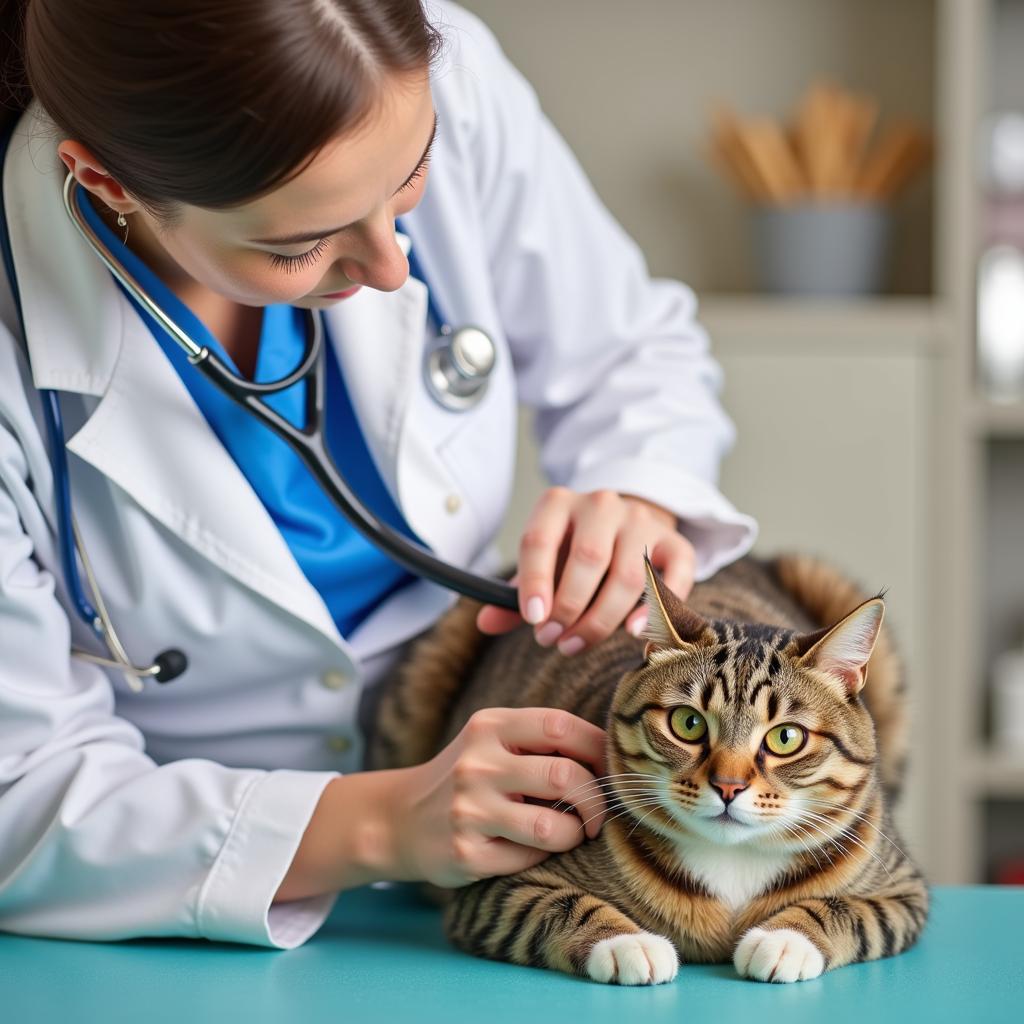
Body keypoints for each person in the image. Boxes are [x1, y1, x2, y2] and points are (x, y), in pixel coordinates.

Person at [0, 0, 756, 947]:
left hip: (492, 846)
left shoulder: (441, 67)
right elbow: (18, 794)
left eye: (411, 183)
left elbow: (633, 353)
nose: (394, 269)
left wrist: (637, 492)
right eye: (297, 245)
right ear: (105, 182)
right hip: (172, 893)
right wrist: (380, 824)